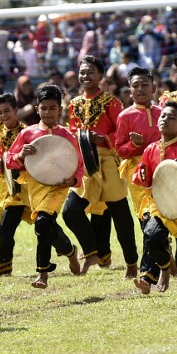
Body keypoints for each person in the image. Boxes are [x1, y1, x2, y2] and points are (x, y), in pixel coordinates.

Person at [62, 55, 137, 276]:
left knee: (120, 215)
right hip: (85, 163)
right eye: (82, 72)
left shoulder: (111, 102)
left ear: (100, 76)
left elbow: (121, 133)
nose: (85, 76)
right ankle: (92, 251)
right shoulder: (74, 104)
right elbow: (74, 133)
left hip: (108, 161)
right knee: (70, 211)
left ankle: (131, 263)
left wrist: (102, 138)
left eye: (90, 72)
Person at [5, 84, 83, 289]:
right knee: (45, 224)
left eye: (52, 108)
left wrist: (72, 181)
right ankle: (70, 251)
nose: (48, 112)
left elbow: (80, 166)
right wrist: (21, 154)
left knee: (42, 223)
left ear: (60, 109)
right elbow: (9, 160)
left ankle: (43, 273)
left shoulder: (68, 136)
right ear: (37, 108)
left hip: (58, 186)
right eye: (44, 108)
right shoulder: (27, 135)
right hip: (35, 186)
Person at [131, 102, 177, 315]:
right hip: (159, 205)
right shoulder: (150, 149)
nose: (165, 119)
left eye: (172, 117)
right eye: (163, 116)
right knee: (152, 236)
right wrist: (142, 177)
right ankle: (165, 265)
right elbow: (141, 176)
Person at [0, 93, 32, 277]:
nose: (3, 115)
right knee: (0, 228)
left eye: (7, 111)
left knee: (8, 227)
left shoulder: (26, 133)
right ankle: (67, 248)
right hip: (1, 185)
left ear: (16, 110)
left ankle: (3, 270)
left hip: (21, 185)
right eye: (0, 112)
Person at [113, 67, 162, 228]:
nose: (140, 89)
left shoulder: (164, 113)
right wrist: (134, 145)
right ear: (130, 90)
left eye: (144, 85)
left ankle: (163, 250)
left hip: (163, 169)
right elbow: (120, 149)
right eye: (135, 86)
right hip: (138, 172)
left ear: (153, 88)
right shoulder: (125, 116)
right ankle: (159, 251)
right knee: (146, 216)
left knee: (165, 212)